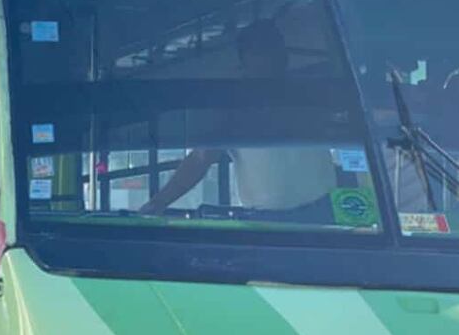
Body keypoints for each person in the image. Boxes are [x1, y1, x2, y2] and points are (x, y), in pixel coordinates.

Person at [140, 19, 336, 216]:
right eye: (259, 51)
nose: (268, 58)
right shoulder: (232, 108)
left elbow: (350, 132)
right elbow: (201, 158)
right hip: (268, 220)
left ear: (284, 55)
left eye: (271, 49)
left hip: (325, 209)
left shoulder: (308, 94)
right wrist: (158, 203)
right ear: (244, 60)